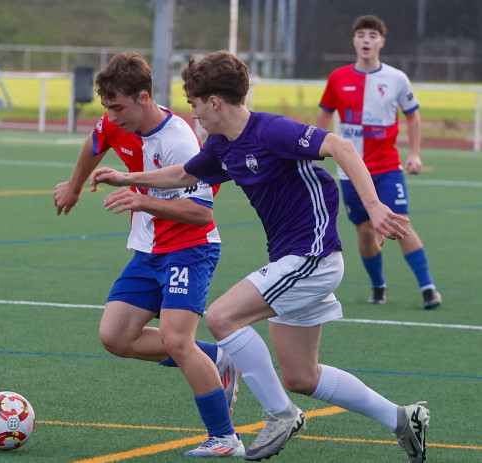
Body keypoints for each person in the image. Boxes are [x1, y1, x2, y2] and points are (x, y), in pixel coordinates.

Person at [91, 50, 430, 462]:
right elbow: (183, 175)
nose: (193, 115)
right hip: (294, 260)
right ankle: (402, 418)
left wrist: (373, 206)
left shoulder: (270, 131)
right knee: (302, 376)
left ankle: (280, 415)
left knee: (220, 316)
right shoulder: (221, 145)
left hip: (311, 255)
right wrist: (128, 177)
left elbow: (340, 145)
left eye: (195, 105)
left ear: (214, 101)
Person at [54, 51, 245, 457]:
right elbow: (94, 144)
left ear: (143, 98)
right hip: (147, 250)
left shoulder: (179, 140)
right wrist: (74, 185)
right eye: (107, 107)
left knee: (177, 340)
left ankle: (225, 438)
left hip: (190, 250)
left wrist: (142, 201)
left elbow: (199, 213)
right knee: (115, 337)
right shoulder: (114, 120)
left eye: (119, 107)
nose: (112, 116)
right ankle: (216, 359)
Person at [315, 15, 441, 310]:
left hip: (386, 168)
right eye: (361, 35)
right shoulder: (338, 78)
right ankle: (378, 286)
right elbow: (323, 114)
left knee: (401, 223)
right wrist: (316, 150)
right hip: (350, 171)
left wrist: (414, 153)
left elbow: (412, 114)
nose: (366, 40)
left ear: (382, 41)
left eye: (373, 35)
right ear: (354, 41)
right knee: (364, 230)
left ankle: (428, 288)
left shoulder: (397, 79)